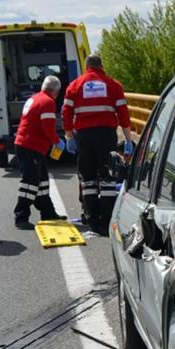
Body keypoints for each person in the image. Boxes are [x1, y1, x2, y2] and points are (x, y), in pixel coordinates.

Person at [62, 55, 133, 235]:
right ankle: (107, 221)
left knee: (88, 179)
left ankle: (92, 221)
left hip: (84, 137)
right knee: (108, 178)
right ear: (102, 66)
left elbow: (66, 112)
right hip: (106, 135)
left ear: (86, 67)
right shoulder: (113, 85)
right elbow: (123, 114)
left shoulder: (75, 85)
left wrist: (69, 135)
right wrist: (128, 138)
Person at [13, 75, 68, 230]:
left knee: (42, 181)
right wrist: (57, 141)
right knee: (29, 183)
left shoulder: (35, 98)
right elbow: (47, 127)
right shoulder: (48, 102)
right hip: (31, 146)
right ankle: (21, 216)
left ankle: (48, 212)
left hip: (27, 144)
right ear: (56, 91)